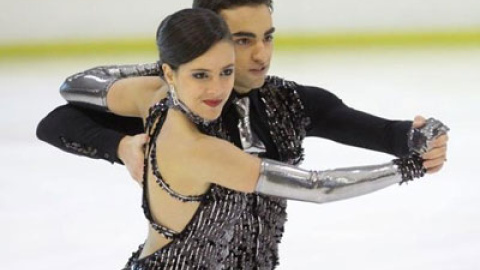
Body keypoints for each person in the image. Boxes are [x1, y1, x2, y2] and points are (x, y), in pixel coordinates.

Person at [36, 0, 449, 268]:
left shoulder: (290, 101)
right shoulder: (179, 105)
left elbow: (381, 132)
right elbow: (57, 120)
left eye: (267, 38)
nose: (261, 55)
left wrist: (421, 139)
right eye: (242, 40)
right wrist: (122, 145)